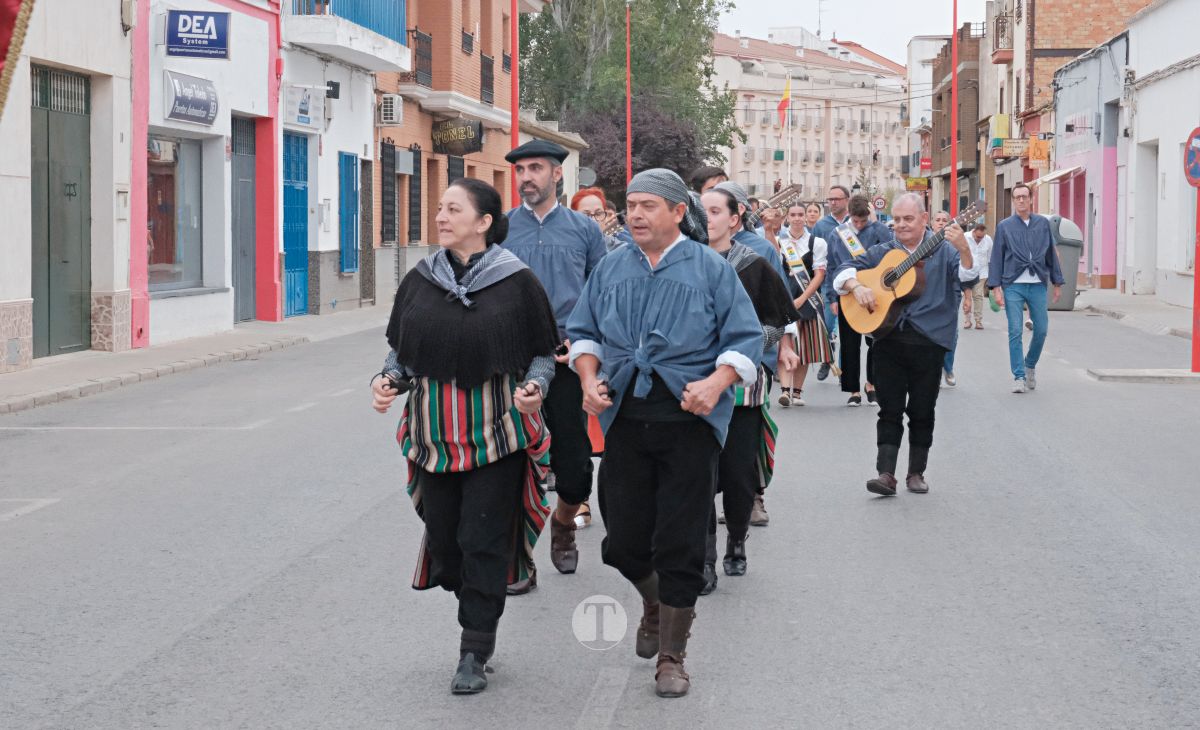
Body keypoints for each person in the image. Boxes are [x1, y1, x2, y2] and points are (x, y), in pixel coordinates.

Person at [566, 169, 762, 698]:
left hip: (688, 424)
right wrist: (588, 380)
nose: (635, 215)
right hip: (626, 419)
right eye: (630, 205)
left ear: (678, 212)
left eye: (648, 205)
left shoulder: (710, 269)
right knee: (623, 543)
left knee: (679, 541)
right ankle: (654, 602)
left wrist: (717, 383)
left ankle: (673, 654)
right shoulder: (610, 268)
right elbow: (583, 332)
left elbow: (745, 339)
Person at [371, 178, 560, 695]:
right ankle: (473, 601)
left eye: (453, 209)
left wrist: (535, 387)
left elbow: (544, 352)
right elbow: (404, 353)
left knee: (483, 540)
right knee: (449, 541)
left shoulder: (517, 282)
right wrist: (387, 381)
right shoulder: (420, 280)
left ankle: (474, 648)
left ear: (483, 222)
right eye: (439, 208)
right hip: (434, 438)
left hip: (496, 436)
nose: (441, 216)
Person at [502, 140, 608, 587]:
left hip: (566, 358)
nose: (526, 177)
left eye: (536, 168)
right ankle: (517, 557)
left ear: (557, 175)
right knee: (509, 463)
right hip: (512, 361)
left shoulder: (585, 231)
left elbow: (602, 294)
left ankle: (563, 524)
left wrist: (589, 346)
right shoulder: (502, 229)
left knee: (575, 465)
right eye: (520, 169)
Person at [833, 193, 974, 496]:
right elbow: (842, 271)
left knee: (923, 409)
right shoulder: (882, 252)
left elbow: (967, 277)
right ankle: (885, 474)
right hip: (888, 338)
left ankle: (916, 472)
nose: (900, 225)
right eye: (896, 219)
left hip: (929, 340)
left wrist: (964, 250)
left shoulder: (946, 252)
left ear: (925, 219)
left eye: (908, 219)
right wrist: (856, 286)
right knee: (889, 408)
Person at [698, 188, 799, 595]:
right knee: (697, 475)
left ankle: (736, 538)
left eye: (715, 211)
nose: (706, 218)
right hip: (694, 386)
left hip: (743, 389)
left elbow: (779, 322)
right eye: (700, 211)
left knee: (739, 477)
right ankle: (704, 557)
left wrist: (744, 342)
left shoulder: (754, 265)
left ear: (735, 219)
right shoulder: (685, 263)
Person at [713, 180, 798, 526]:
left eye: (715, 209)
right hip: (702, 367)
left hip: (753, 360)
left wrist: (785, 346)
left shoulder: (760, 252)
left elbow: (777, 307)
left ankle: (753, 499)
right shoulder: (689, 251)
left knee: (746, 440)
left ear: (736, 215)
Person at [988, 181, 1065, 393]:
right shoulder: (1005, 226)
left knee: (1041, 330)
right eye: (1017, 197)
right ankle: (1018, 376)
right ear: (1013, 201)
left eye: (1024, 196)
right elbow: (997, 257)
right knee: (1015, 330)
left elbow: (1051, 253)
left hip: (1038, 283)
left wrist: (1057, 282)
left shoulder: (1042, 224)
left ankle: (1030, 365)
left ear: (1031, 199)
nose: (1021, 200)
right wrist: (995, 287)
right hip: (1013, 284)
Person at [832, 195, 891, 406]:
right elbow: (832, 265)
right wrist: (831, 297)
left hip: (875, 290)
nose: (859, 224)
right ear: (849, 215)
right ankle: (853, 390)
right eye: (855, 220)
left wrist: (875, 222)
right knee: (849, 342)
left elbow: (890, 248)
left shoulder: (877, 230)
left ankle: (871, 384)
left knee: (875, 339)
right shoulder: (838, 234)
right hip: (847, 291)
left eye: (863, 221)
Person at [775, 204, 835, 407]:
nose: (798, 218)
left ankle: (797, 391)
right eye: (793, 214)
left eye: (801, 215)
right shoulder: (779, 242)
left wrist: (803, 298)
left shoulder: (817, 242)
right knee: (786, 342)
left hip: (808, 297)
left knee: (805, 345)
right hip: (785, 295)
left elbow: (820, 274)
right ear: (787, 217)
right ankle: (784, 390)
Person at [812, 186, 852, 381]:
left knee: (849, 329)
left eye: (837, 199)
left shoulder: (855, 222)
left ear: (847, 200)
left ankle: (846, 371)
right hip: (830, 281)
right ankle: (827, 360)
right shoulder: (821, 225)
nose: (833, 202)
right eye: (830, 199)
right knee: (827, 325)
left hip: (853, 280)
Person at [929, 211, 960, 387]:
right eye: (938, 220)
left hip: (952, 292)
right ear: (932, 223)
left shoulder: (955, 244)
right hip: (929, 293)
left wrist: (968, 296)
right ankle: (933, 368)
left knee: (951, 333)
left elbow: (965, 270)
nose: (941, 223)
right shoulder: (924, 243)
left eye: (944, 220)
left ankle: (948, 368)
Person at [572, 187, 626, 254]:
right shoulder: (562, 249)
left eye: (598, 214)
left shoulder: (621, 252)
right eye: (586, 214)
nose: (593, 220)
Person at [963, 223, 993, 328]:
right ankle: (967, 320)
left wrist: (992, 274)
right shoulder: (965, 237)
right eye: (978, 237)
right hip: (967, 271)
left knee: (978, 295)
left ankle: (978, 321)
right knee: (967, 296)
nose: (980, 239)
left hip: (982, 272)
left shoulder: (988, 240)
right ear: (974, 231)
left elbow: (990, 257)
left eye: (982, 237)